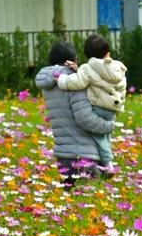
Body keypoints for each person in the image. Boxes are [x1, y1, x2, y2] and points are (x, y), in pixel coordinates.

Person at [35, 40, 115, 185]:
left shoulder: (48, 83)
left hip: (63, 153)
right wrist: (108, 126)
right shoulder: (73, 81)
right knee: (85, 202)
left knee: (70, 203)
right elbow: (84, 118)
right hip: (84, 156)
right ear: (73, 60)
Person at [56, 34, 127, 169]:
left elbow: (78, 83)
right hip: (113, 107)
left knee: (98, 137)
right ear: (108, 53)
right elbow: (120, 86)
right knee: (105, 136)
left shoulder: (87, 68)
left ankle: (107, 164)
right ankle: (106, 162)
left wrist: (62, 80)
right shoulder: (118, 67)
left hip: (98, 106)